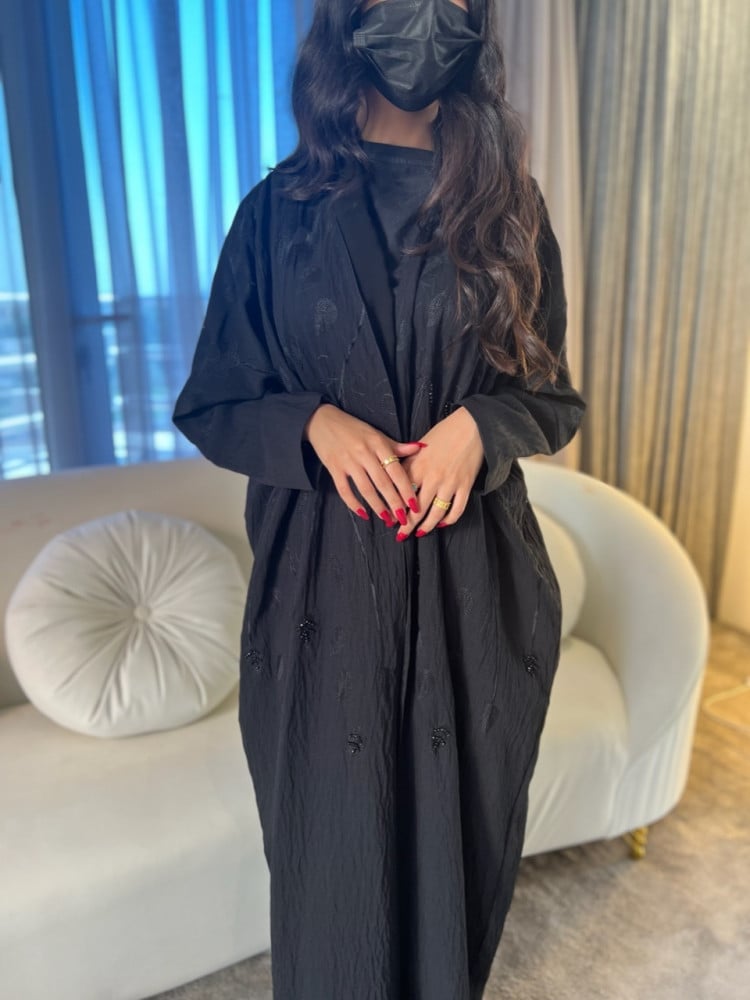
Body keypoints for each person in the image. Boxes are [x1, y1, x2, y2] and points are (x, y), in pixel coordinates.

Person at [171, 0, 587, 997]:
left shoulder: (511, 211)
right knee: (333, 882)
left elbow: (551, 395)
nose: (424, 18)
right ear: (350, 21)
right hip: (321, 606)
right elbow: (213, 402)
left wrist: (483, 427)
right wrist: (312, 423)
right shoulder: (276, 215)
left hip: (473, 597)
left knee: (458, 870)